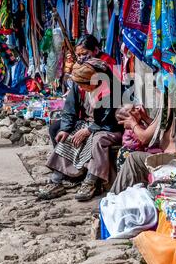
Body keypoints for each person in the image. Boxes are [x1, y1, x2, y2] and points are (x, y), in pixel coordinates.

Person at [38, 57, 122, 201]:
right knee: (68, 137)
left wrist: (90, 130)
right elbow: (70, 109)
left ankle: (91, 181)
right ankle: (56, 180)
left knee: (97, 140)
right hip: (89, 123)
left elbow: (110, 118)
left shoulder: (112, 87)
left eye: (84, 86)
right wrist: (65, 129)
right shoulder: (79, 86)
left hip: (109, 127)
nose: (81, 88)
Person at [49, 34, 116, 146]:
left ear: (95, 50)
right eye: (78, 55)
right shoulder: (81, 69)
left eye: (84, 54)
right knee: (56, 129)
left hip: (105, 121)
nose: (81, 58)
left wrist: (90, 129)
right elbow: (71, 104)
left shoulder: (108, 69)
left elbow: (110, 109)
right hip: (86, 117)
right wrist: (65, 128)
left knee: (92, 141)